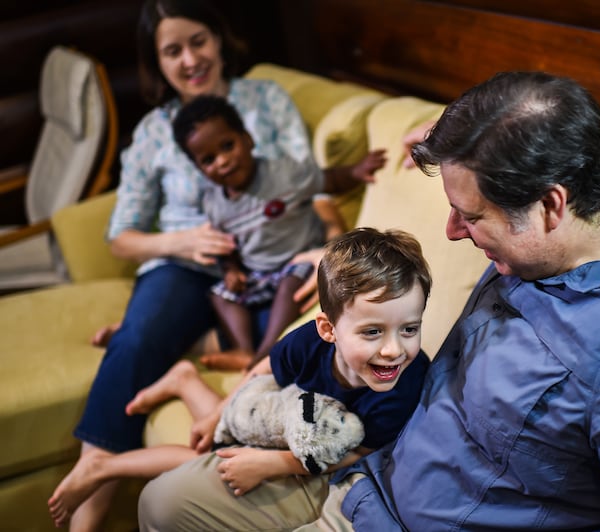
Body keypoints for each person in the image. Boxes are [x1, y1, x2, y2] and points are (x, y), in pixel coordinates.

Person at [138, 71, 600, 531]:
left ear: (550, 206)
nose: (451, 232)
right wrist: (463, 133)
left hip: (399, 518)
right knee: (163, 504)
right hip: (370, 471)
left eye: (471, 214)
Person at [56, 0, 386, 530]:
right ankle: (87, 506)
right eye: (172, 51)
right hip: (187, 264)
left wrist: (328, 247)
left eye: (198, 42)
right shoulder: (154, 132)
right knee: (137, 343)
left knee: (290, 344)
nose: (190, 60)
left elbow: (312, 186)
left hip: (268, 261)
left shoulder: (265, 100)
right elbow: (121, 237)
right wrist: (182, 242)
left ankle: (177, 339)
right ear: (157, 61)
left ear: (219, 38)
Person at [49, 227, 432, 528]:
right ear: (328, 329)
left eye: (409, 329)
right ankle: (109, 459)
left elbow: (356, 453)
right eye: (372, 332)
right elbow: (263, 369)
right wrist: (218, 414)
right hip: (286, 413)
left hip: (316, 444)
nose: (393, 350)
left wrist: (272, 464)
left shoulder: (405, 381)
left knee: (220, 454)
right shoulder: (308, 342)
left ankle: (113, 459)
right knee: (215, 442)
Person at [172, 94, 344, 370]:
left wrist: (357, 172)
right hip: (259, 275)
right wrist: (231, 271)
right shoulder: (214, 203)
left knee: (292, 280)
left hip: (296, 260)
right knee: (219, 294)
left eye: (228, 146)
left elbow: (328, 180)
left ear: (248, 139)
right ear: (199, 169)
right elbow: (227, 246)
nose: (223, 161)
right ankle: (243, 348)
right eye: (209, 159)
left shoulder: (281, 174)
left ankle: (267, 350)